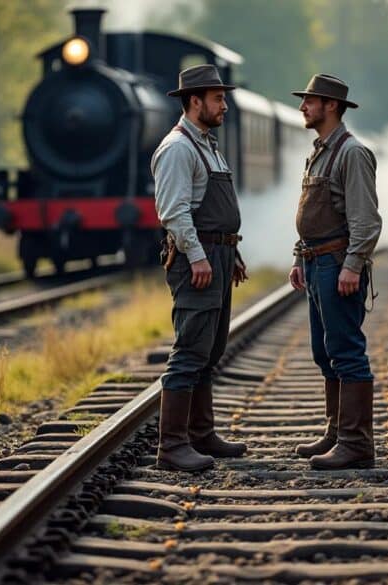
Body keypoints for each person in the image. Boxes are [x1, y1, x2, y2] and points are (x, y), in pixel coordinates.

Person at [151, 64, 249, 471]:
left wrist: (232, 252)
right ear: (195, 102)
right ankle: (172, 445)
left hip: (217, 255)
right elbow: (174, 213)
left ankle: (201, 434)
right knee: (191, 349)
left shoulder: (207, 143)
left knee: (210, 350)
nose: (224, 105)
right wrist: (197, 257)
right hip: (199, 260)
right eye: (218, 98)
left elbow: (216, 208)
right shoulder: (177, 148)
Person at [288, 74, 382, 470]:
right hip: (315, 262)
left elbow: (366, 221)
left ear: (330, 106)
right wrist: (299, 256)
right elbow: (311, 213)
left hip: (336, 264)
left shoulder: (351, 153)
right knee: (325, 353)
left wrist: (352, 266)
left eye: (309, 100)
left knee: (347, 352)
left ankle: (356, 443)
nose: (303, 106)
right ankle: (336, 431)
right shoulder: (321, 151)